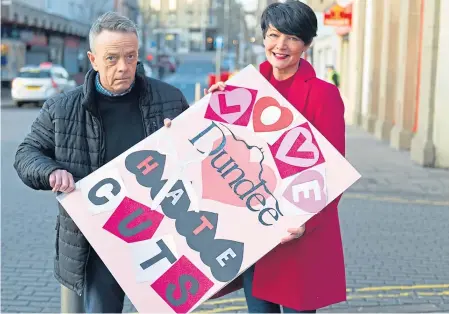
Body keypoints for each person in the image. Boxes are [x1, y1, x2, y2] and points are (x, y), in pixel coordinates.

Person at [13, 12, 189, 313]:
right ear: (93, 60)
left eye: (130, 56)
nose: (123, 67)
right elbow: (26, 154)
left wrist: (187, 138)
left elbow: (201, 156)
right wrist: (51, 171)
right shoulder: (61, 108)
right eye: (112, 59)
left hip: (165, 235)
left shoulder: (169, 99)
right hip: (100, 243)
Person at [203, 1, 347, 313]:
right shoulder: (243, 88)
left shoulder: (323, 94)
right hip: (256, 235)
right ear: (264, 38)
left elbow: (334, 172)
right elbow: (213, 150)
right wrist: (204, 115)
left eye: (292, 38)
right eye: (273, 34)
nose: (280, 46)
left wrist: (307, 224)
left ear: (307, 44)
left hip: (298, 234)